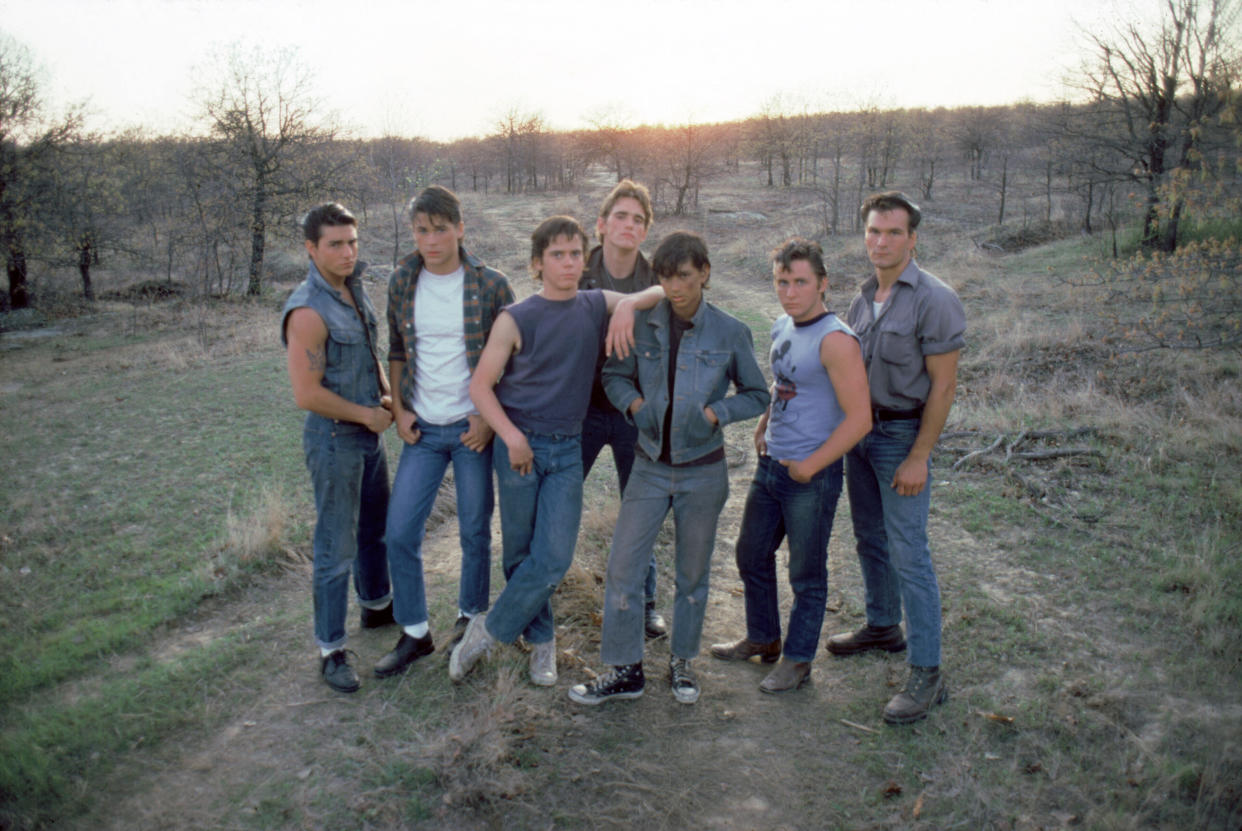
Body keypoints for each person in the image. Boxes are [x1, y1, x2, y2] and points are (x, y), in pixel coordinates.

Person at [451, 216, 664, 687]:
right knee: (520, 553)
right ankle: (542, 644)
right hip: (519, 448)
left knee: (553, 557)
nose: (568, 263)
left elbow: (662, 293)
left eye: (574, 253)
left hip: (567, 449)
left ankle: (488, 629)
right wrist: (510, 436)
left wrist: (627, 305)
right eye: (557, 255)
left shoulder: (592, 305)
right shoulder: (516, 317)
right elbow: (481, 387)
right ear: (537, 264)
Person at [568, 231, 770, 706]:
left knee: (693, 574)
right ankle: (625, 669)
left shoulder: (731, 330)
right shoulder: (642, 324)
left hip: (703, 472)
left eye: (684, 275)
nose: (675, 286)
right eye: (665, 276)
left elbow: (759, 393)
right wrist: (635, 405)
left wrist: (717, 413)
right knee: (623, 568)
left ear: (704, 273)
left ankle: (682, 662)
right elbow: (613, 375)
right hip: (649, 467)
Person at [826, 191, 965, 724]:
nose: (880, 242)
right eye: (873, 232)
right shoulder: (864, 298)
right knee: (869, 539)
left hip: (902, 438)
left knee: (910, 550)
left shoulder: (934, 298)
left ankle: (928, 674)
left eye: (892, 233)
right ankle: (883, 626)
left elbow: (944, 386)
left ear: (912, 239)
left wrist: (920, 454)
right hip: (861, 435)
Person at [709, 239, 871, 693]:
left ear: (823, 283)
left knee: (806, 573)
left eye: (801, 282)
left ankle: (798, 661)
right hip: (772, 465)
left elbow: (860, 418)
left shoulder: (836, 339)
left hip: (810, 476)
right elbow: (786, 384)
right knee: (751, 553)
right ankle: (762, 637)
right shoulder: (783, 324)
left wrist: (811, 466)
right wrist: (763, 424)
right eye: (783, 281)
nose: (790, 291)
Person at [374, 186, 514, 679]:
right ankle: (415, 632)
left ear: (459, 228)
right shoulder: (401, 281)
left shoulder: (490, 284)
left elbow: (510, 359)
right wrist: (399, 409)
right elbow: (395, 349)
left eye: (439, 229)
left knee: (475, 531)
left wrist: (486, 417)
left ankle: (469, 620)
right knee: (399, 534)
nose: (430, 240)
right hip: (423, 429)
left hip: (471, 428)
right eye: (421, 230)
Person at [281, 202, 395, 694]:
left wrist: (390, 397)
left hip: (368, 434)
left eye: (352, 241)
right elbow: (306, 394)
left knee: (376, 529)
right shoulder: (308, 309)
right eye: (335, 244)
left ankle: (376, 607)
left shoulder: (354, 288)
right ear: (311, 248)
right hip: (335, 439)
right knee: (335, 545)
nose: (348, 252)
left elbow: (370, 354)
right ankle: (330, 649)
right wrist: (366, 414)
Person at [578, 180, 666, 640]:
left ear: (645, 230)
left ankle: (645, 602)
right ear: (602, 224)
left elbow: (675, 302)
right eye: (620, 216)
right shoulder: (576, 268)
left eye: (638, 219)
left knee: (641, 508)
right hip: (581, 410)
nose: (628, 225)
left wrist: (635, 300)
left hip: (634, 410)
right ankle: (539, 591)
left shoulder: (657, 278)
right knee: (558, 500)